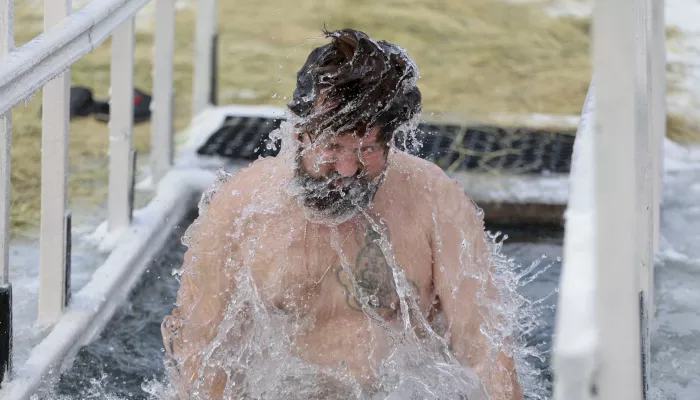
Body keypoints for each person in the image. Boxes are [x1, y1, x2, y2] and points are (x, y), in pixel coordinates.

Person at [161, 28, 522, 399]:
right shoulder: (240, 210)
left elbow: (486, 350)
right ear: (298, 131)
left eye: (366, 148)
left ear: (391, 139)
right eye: (332, 145)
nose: (348, 169)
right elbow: (198, 351)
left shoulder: (434, 202)